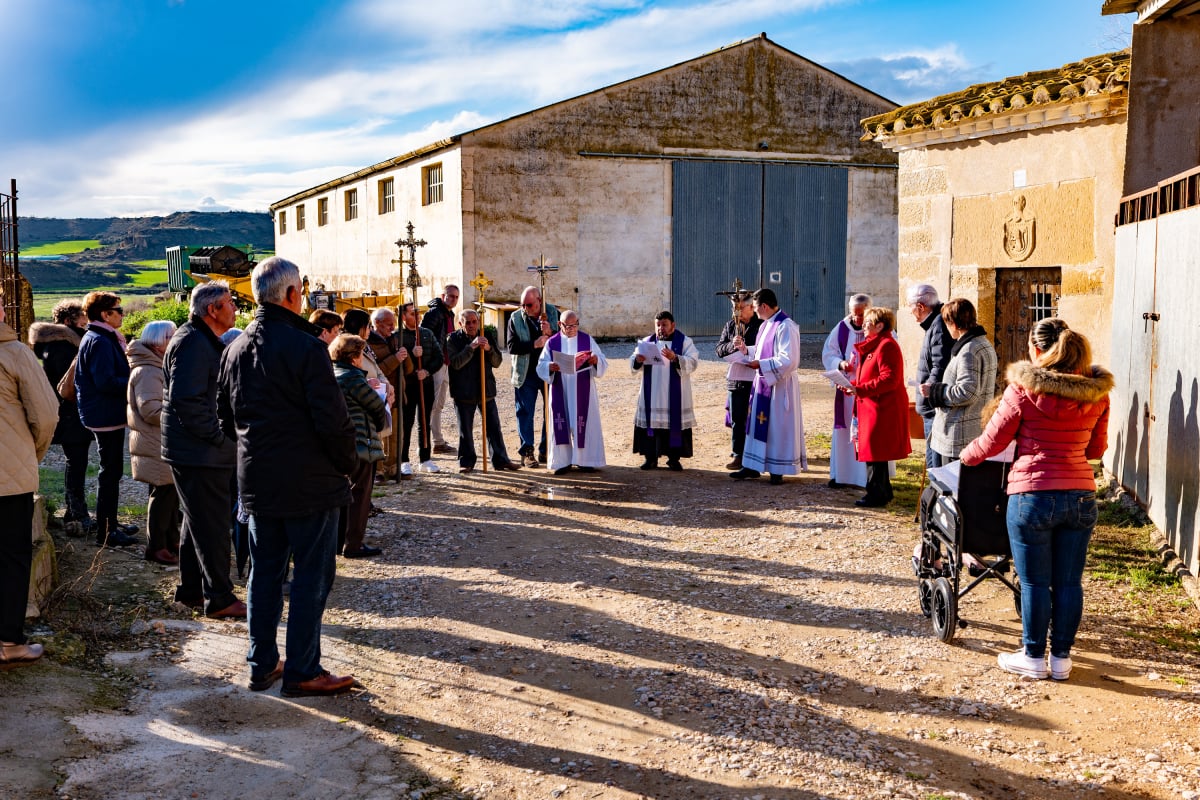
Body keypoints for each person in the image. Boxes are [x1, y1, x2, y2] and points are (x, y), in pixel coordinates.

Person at [218, 256, 358, 697]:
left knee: (264, 573)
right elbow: (332, 420)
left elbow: (225, 419)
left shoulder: (235, 348)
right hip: (309, 484)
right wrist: (346, 465)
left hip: (258, 480)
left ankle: (262, 664)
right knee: (310, 577)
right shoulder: (305, 347)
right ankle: (301, 669)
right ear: (293, 295)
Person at [960, 319, 1111, 681]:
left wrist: (966, 457)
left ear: (1037, 349)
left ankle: (1032, 656)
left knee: (1034, 583)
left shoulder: (1023, 389)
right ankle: (1061, 659)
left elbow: (993, 441)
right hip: (1079, 494)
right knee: (1070, 582)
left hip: (1031, 495)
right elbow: (1096, 449)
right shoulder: (1097, 394)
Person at [162, 281, 245, 619]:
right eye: (230, 303)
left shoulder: (198, 339)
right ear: (213, 310)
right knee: (211, 526)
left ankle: (192, 590)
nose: (235, 308)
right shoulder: (193, 344)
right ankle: (220, 598)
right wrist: (221, 439)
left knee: (196, 522)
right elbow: (188, 401)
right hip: (199, 451)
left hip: (196, 449)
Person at [0, 291, 60, 668]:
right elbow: (47, 415)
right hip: (8, 481)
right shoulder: (14, 353)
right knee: (11, 559)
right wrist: (29, 456)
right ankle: (8, 643)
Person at [74, 291, 138, 547]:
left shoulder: (99, 336)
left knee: (110, 471)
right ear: (105, 314)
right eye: (118, 310)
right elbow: (106, 381)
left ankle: (109, 521)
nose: (123, 314)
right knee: (110, 473)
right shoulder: (100, 341)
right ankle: (107, 530)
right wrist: (135, 379)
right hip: (104, 413)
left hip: (103, 412)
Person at [28, 299, 94, 534]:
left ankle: (74, 512)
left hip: (66, 413)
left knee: (76, 462)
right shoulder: (63, 347)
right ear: (68, 321)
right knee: (76, 463)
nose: (85, 328)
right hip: (70, 414)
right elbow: (69, 385)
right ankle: (76, 514)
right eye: (82, 323)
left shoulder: (53, 344)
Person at [733, 288, 807, 485]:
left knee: (776, 426)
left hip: (780, 385)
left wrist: (762, 364)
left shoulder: (786, 325)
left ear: (764, 306)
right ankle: (751, 466)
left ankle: (777, 469)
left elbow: (789, 359)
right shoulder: (767, 324)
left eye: (756, 308)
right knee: (757, 424)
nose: (755, 312)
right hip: (763, 382)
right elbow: (763, 351)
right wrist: (746, 350)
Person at [126, 321, 181, 566]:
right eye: (172, 336)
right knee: (162, 495)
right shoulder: (148, 370)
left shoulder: (155, 365)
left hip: (159, 440)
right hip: (155, 441)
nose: (175, 339)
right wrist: (181, 414)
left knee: (169, 493)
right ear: (159, 341)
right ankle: (156, 546)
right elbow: (150, 410)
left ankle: (170, 540)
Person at [919, 298, 997, 465]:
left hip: (960, 432)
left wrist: (934, 391)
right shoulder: (982, 343)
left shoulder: (970, 350)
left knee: (951, 487)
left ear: (953, 324)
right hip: (968, 429)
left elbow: (967, 391)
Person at [330, 333, 387, 558]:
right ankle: (354, 543)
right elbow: (375, 406)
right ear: (353, 356)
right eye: (361, 353)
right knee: (360, 495)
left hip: (343, 442)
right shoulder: (353, 377)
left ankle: (339, 541)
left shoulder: (334, 373)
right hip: (361, 442)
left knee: (345, 495)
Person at [847, 307, 911, 507]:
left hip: (882, 407)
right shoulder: (875, 345)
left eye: (868, 323)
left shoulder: (886, 346)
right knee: (875, 452)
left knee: (876, 451)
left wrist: (861, 389)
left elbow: (889, 379)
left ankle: (876, 493)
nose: (863, 326)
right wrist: (854, 387)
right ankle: (883, 491)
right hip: (872, 406)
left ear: (880, 325)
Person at [447, 309, 521, 473]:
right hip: (464, 392)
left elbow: (497, 362)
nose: (472, 325)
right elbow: (456, 363)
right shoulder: (453, 339)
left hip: (485, 390)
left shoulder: (485, 335)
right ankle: (466, 462)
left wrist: (488, 349)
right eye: (468, 322)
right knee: (465, 430)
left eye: (475, 321)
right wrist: (471, 347)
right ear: (461, 324)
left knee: (494, 428)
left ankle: (501, 460)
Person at [536, 309, 608, 474]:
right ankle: (562, 462)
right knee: (561, 423)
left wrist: (596, 360)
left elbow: (602, 360)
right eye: (568, 326)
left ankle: (585, 460)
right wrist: (550, 367)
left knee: (584, 423)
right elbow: (541, 364)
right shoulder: (552, 342)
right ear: (560, 324)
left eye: (575, 325)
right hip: (561, 388)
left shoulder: (587, 339)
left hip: (583, 388)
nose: (572, 329)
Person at [631, 311, 699, 471]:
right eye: (658, 325)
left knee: (673, 423)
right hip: (652, 394)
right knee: (650, 424)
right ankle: (650, 458)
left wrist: (675, 358)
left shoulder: (684, 342)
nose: (661, 328)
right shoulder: (647, 342)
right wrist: (637, 360)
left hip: (675, 395)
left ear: (673, 325)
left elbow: (693, 362)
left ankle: (673, 459)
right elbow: (632, 362)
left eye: (664, 325)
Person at [821, 294, 871, 488]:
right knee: (845, 433)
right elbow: (828, 352)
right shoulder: (842, 328)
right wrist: (840, 363)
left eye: (861, 315)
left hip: (867, 390)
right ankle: (842, 474)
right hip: (846, 388)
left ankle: (865, 477)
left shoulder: (879, 326)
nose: (857, 320)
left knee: (866, 432)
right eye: (854, 314)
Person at [507, 286, 560, 468]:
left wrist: (552, 333)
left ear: (539, 301)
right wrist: (534, 344)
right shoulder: (515, 318)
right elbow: (511, 346)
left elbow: (565, 339)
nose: (525, 308)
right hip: (526, 372)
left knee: (551, 411)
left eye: (529, 305)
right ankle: (527, 451)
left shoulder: (553, 313)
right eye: (522, 304)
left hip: (549, 371)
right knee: (525, 412)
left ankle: (546, 449)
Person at [908, 283, 955, 468]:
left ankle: (935, 497)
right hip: (931, 404)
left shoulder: (939, 326)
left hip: (934, 406)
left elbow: (940, 365)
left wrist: (928, 391)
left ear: (920, 306)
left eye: (910, 306)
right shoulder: (934, 324)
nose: (910, 312)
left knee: (935, 464)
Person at [714, 295, 762, 472]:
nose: (736, 312)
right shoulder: (730, 325)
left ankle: (756, 454)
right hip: (736, 378)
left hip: (757, 377)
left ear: (751, 307)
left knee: (757, 418)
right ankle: (738, 454)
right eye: (734, 308)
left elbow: (766, 348)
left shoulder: (761, 324)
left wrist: (747, 349)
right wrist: (732, 346)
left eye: (740, 308)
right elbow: (719, 349)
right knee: (738, 418)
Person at [397, 301, 443, 477]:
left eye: (417, 313)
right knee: (406, 423)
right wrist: (411, 353)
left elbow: (438, 357)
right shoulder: (397, 336)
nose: (417, 317)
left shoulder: (427, 333)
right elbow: (397, 363)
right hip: (407, 387)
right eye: (411, 314)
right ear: (403, 316)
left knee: (424, 422)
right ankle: (403, 460)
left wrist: (426, 370)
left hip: (426, 384)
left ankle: (425, 459)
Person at [367, 307, 407, 480]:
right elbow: (376, 370)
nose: (392, 328)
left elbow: (407, 368)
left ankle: (393, 466)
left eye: (393, 324)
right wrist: (395, 358)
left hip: (396, 393)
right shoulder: (369, 344)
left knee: (397, 434)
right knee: (379, 434)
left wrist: (406, 355)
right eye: (389, 324)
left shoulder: (394, 340)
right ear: (377, 323)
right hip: (380, 395)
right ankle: (378, 469)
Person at [421, 285, 460, 455]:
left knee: (439, 404)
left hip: (445, 363)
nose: (453, 299)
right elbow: (425, 336)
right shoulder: (435, 313)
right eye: (450, 296)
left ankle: (437, 441)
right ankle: (428, 443)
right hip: (436, 364)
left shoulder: (447, 313)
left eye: (456, 297)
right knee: (433, 404)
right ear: (443, 295)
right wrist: (431, 363)